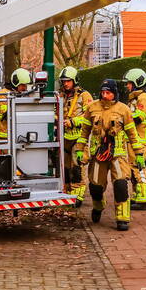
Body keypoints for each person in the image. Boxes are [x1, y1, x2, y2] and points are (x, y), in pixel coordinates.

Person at [76, 79, 144, 231]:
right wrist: (80, 149)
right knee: (95, 186)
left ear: (115, 93)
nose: (105, 95)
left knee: (121, 185)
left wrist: (139, 153)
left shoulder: (123, 109)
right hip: (98, 154)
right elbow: (85, 131)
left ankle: (122, 218)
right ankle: (98, 206)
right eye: (103, 92)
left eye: (108, 92)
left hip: (117, 155)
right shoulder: (92, 108)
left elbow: (132, 134)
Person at [59, 66, 94, 203]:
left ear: (74, 81)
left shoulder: (85, 96)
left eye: (68, 81)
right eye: (63, 81)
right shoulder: (61, 95)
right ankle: (67, 192)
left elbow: (89, 116)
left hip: (79, 138)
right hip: (65, 137)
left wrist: (73, 122)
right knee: (66, 167)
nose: (65, 84)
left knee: (76, 166)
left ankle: (77, 195)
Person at [123, 68, 146, 210]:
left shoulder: (144, 97)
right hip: (136, 137)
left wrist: (122, 117)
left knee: (138, 166)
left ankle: (145, 198)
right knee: (133, 168)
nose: (127, 86)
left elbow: (139, 117)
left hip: (141, 138)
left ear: (137, 82)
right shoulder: (137, 97)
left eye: (129, 83)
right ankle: (138, 195)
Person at [0, 68, 33, 139]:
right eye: (23, 85)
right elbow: (6, 114)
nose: (25, 88)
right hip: (6, 136)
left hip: (21, 134)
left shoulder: (23, 93)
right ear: (15, 83)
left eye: (26, 85)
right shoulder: (3, 93)